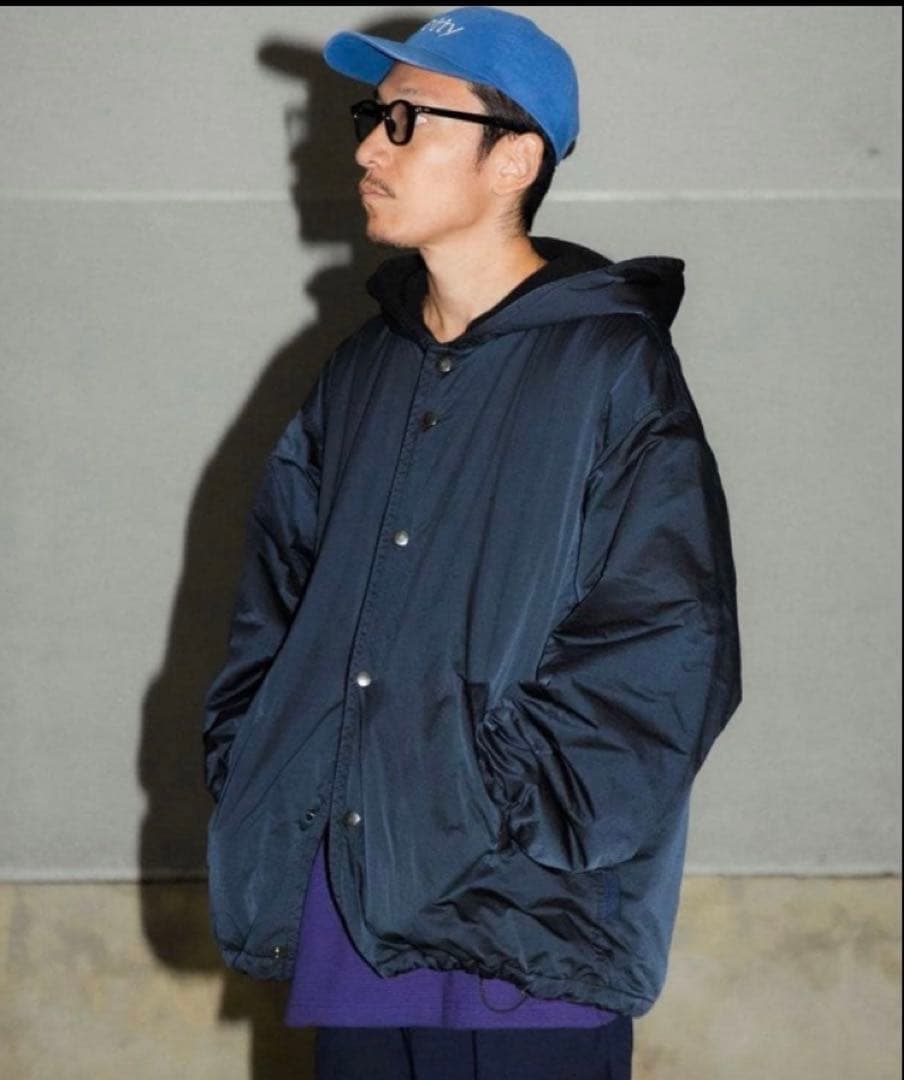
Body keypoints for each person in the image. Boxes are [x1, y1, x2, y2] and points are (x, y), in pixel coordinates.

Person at [201, 7, 742, 1078]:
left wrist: (493, 799)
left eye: (407, 121)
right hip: (352, 912)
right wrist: (258, 758)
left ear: (515, 160)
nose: (369, 147)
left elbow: (668, 646)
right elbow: (273, 604)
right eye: (370, 118)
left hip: (524, 923)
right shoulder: (361, 372)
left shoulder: (610, 370)